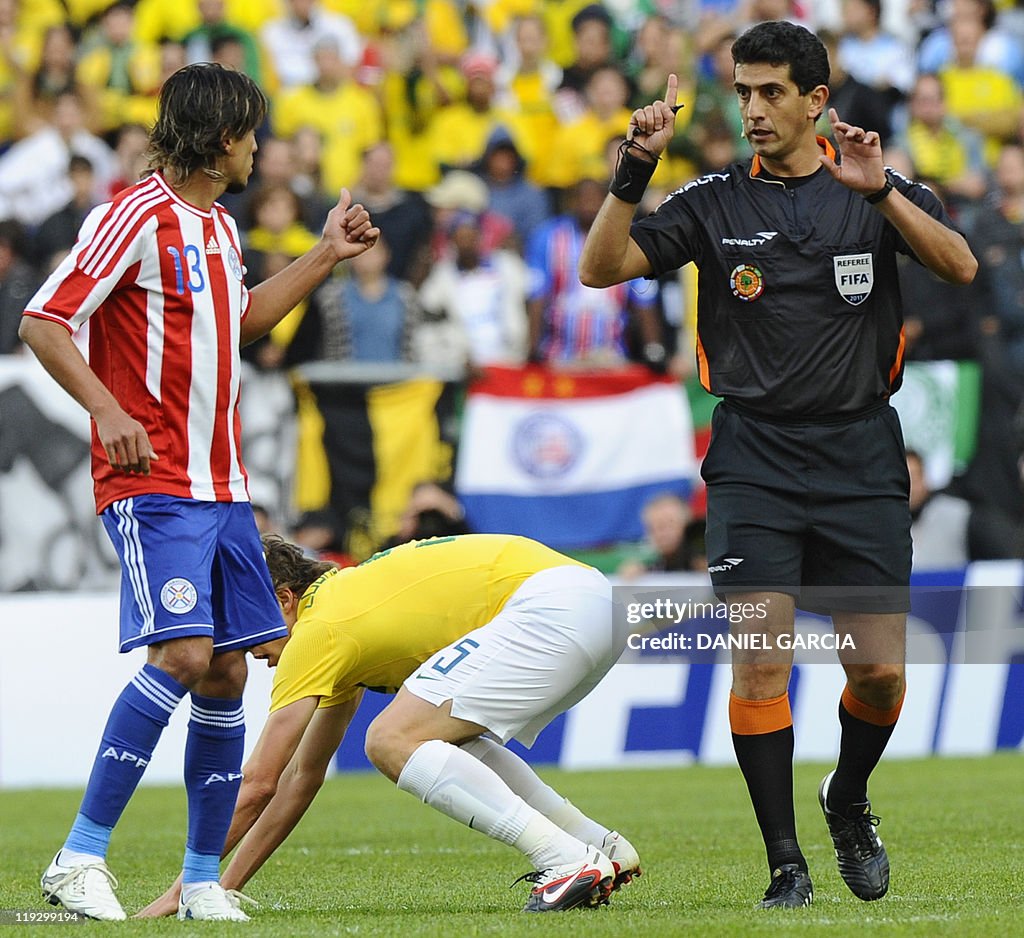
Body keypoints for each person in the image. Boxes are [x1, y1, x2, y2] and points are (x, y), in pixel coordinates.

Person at [578, 21, 977, 909]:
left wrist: (882, 199)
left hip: (861, 454)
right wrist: (632, 170)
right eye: (743, 92)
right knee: (761, 663)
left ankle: (847, 795)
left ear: (816, 102)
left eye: (770, 93)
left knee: (877, 674)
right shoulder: (714, 201)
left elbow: (960, 265)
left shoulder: (870, 188)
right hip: (753, 456)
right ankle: (785, 866)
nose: (752, 109)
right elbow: (600, 269)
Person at [18, 63, 379, 922]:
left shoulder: (217, 228)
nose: (262, 149)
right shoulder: (132, 214)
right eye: (253, 133)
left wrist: (325, 253)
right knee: (181, 656)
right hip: (155, 484)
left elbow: (242, 321)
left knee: (223, 674)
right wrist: (104, 408)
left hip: (222, 487)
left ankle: (203, 879)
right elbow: (42, 318)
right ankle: (79, 856)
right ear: (222, 141)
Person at [138, 533, 640, 916]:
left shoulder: (320, 631)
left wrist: (183, 887)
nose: (246, 643)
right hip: (593, 601)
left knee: (390, 738)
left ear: (283, 599)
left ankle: (566, 858)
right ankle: (598, 846)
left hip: (551, 605)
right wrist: (220, 888)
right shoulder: (340, 612)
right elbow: (298, 779)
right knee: (436, 738)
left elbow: (258, 782)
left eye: (245, 622)